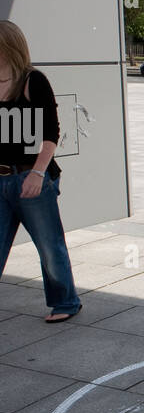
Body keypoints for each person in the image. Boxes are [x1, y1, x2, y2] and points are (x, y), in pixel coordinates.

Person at [0, 20, 81, 322]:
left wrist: (36, 174)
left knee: (49, 246)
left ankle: (66, 302)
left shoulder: (33, 81)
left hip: (30, 177)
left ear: (8, 46)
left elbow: (50, 133)